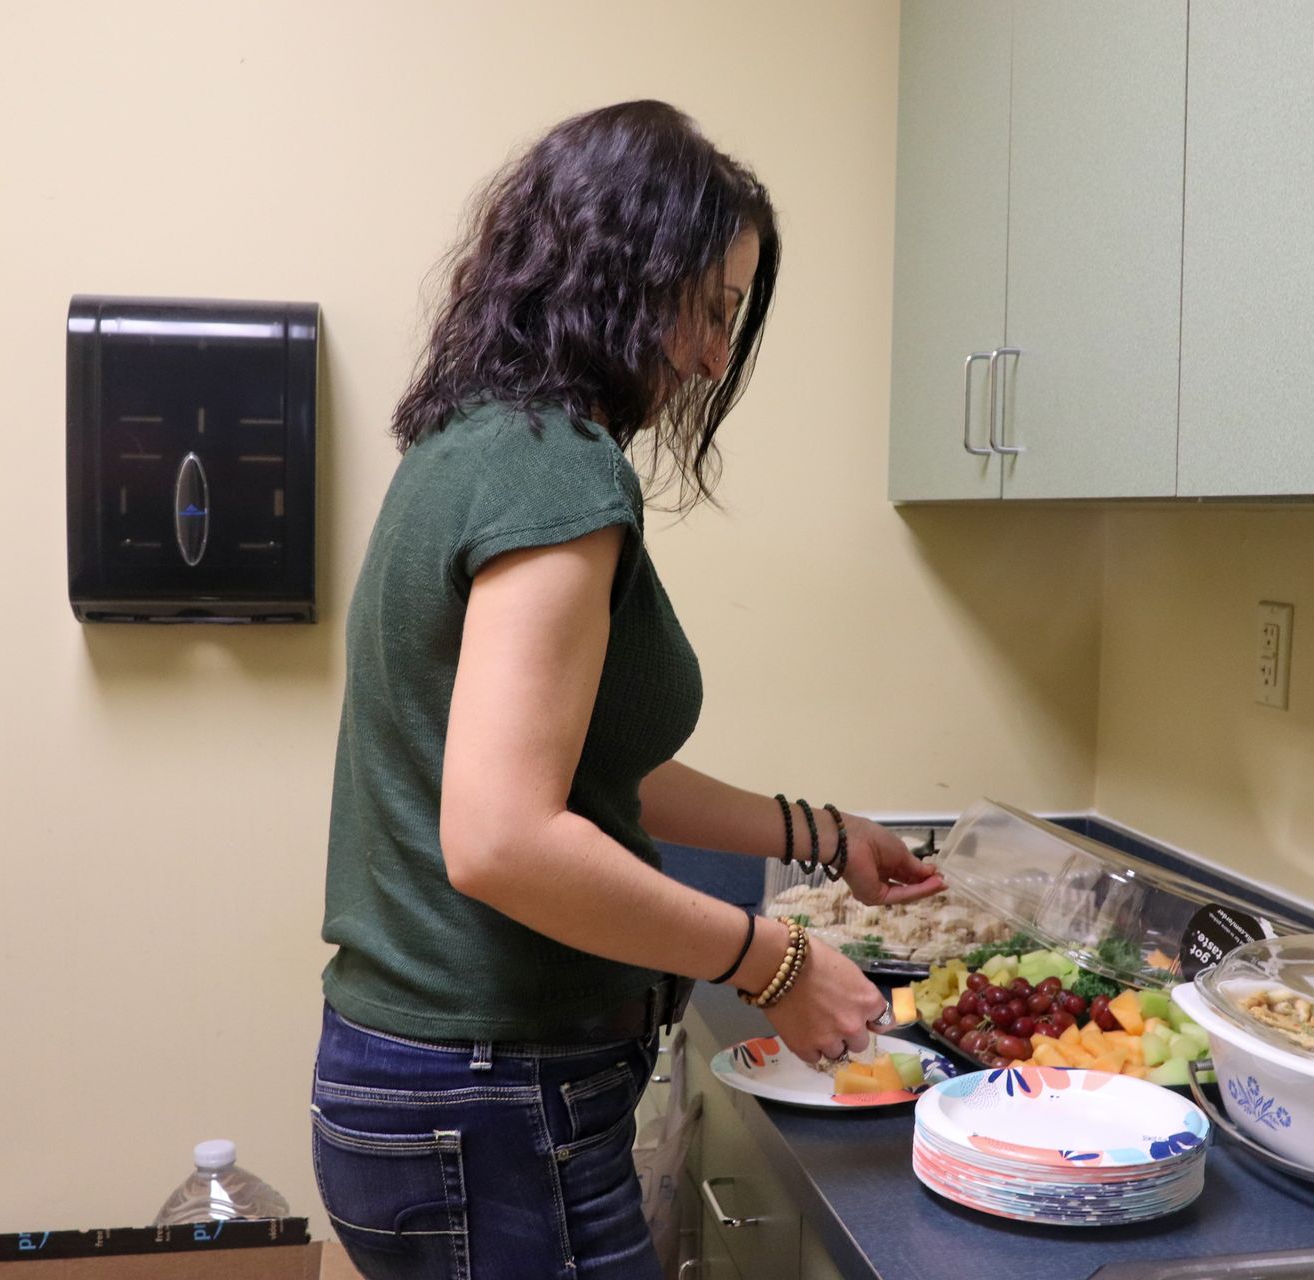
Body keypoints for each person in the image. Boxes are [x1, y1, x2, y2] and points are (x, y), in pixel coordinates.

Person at [309, 100, 946, 1280]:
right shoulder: (559, 471)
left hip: (437, 1090)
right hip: (492, 1101)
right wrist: (776, 961)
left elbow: (599, 765)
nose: (713, 355)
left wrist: (822, 835)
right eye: (708, 310)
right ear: (620, 269)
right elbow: (502, 838)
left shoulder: (473, 444)